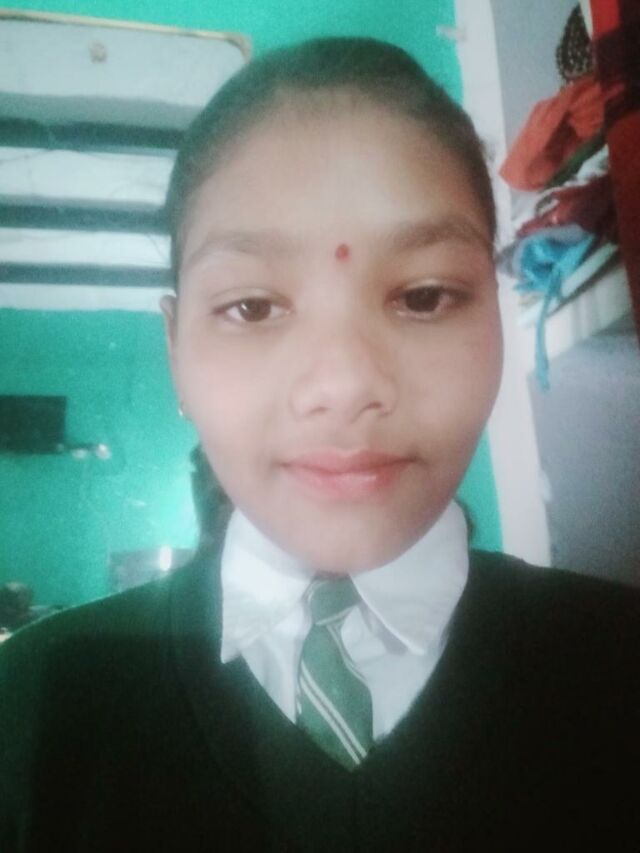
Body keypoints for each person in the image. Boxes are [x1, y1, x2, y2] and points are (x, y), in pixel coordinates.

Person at [0, 37, 638, 852]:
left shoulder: (619, 665)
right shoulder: (33, 702)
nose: (343, 383)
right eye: (253, 307)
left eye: (424, 295)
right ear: (176, 352)